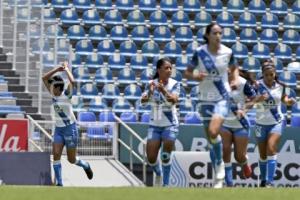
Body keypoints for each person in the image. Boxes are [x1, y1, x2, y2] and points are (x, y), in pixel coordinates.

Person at [184, 22, 239, 188]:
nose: (218, 36)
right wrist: (196, 76)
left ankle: (221, 164)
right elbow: (187, 72)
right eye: (214, 33)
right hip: (204, 98)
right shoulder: (200, 52)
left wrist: (235, 78)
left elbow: (234, 68)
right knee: (211, 138)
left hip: (223, 97)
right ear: (207, 35)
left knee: (214, 131)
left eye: (220, 33)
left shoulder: (228, 51)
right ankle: (218, 169)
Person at [42, 62, 93, 186]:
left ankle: (85, 165)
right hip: (59, 130)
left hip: (70, 129)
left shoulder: (67, 95)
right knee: (56, 154)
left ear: (59, 88)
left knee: (71, 159)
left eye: (54, 87)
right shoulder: (53, 94)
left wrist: (66, 70)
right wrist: (56, 69)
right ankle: (60, 183)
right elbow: (44, 78)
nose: (51, 89)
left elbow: (73, 82)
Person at [255, 59, 296, 187]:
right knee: (262, 154)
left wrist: (288, 102)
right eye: (266, 74)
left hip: (276, 121)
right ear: (262, 74)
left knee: (271, 148)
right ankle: (263, 180)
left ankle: (270, 182)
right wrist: (259, 99)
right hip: (259, 124)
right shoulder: (256, 85)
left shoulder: (281, 86)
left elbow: (283, 99)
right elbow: (249, 101)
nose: (269, 77)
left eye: (271, 74)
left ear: (275, 74)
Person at [141, 58, 180, 187]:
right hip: (155, 125)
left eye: (170, 68)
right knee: (151, 158)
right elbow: (143, 102)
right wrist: (151, 91)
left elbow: (174, 100)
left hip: (170, 124)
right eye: (166, 68)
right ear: (159, 70)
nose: (169, 70)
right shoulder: (150, 83)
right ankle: (158, 173)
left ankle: (166, 184)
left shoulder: (175, 84)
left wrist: (163, 90)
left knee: (165, 154)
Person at [221, 68, 257, 187]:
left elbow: (253, 98)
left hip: (240, 124)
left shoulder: (242, 83)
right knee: (225, 149)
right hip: (225, 123)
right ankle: (229, 182)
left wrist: (244, 109)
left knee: (239, 156)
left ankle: (244, 163)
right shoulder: (219, 82)